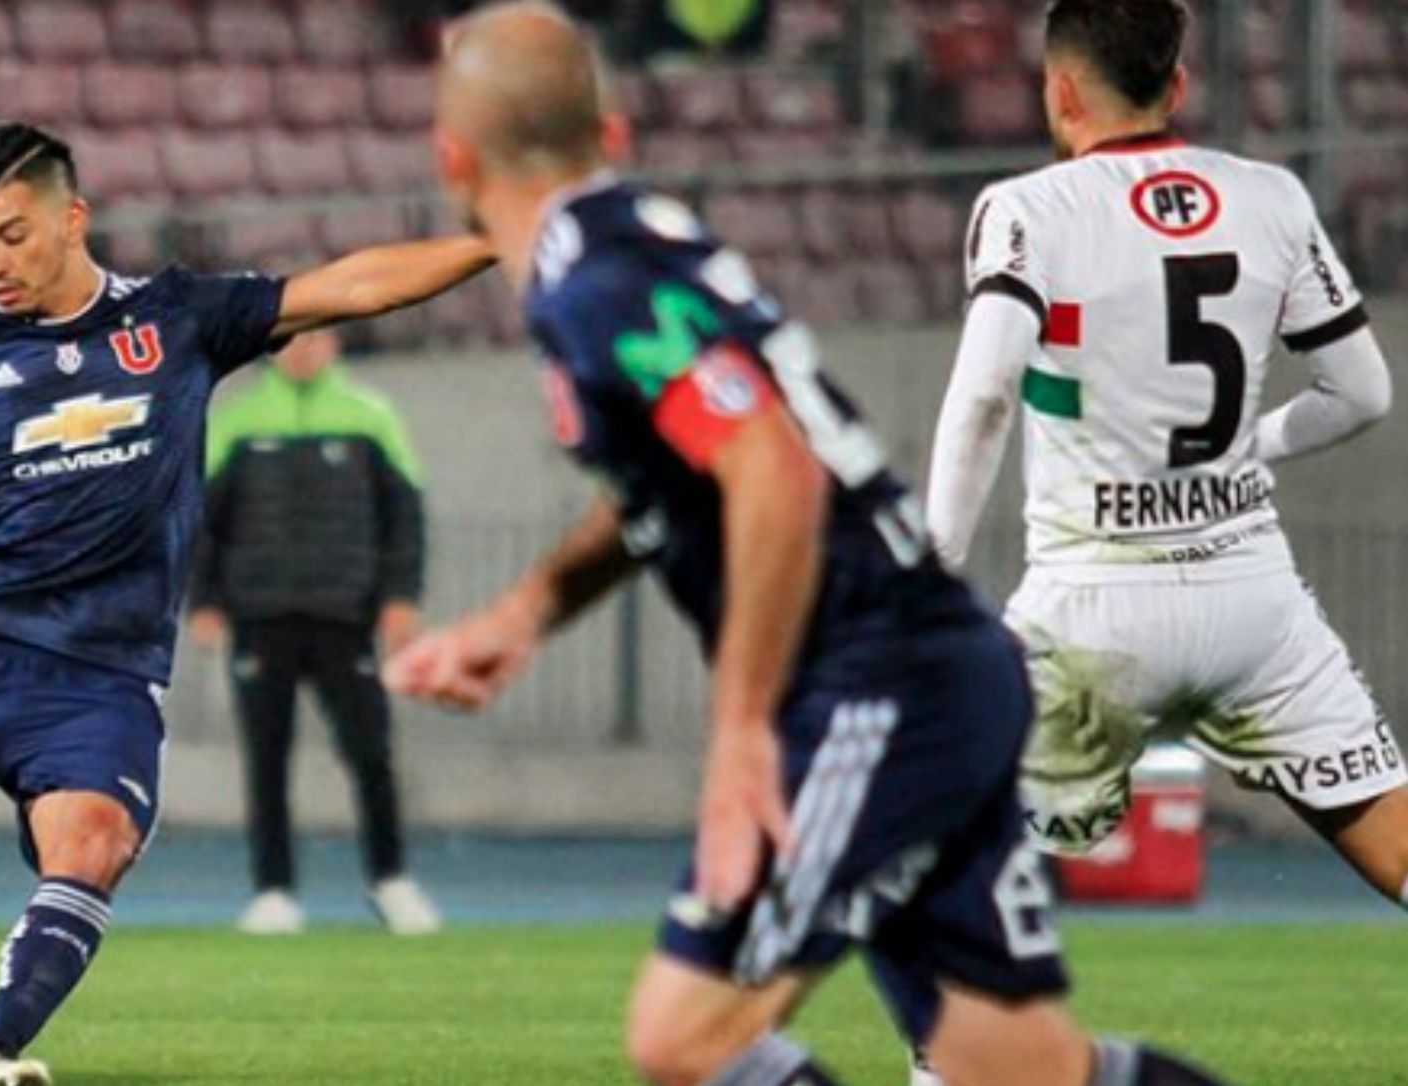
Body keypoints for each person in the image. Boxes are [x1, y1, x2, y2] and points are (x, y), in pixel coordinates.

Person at [389, 5, 1241, 1085]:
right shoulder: (639, 234)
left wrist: (742, 734)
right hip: (939, 668)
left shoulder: (588, 286)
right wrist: (526, 612)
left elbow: (771, 467)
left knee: (686, 1034)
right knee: (1021, 1068)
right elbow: (703, 462)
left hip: (873, 685)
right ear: (612, 134)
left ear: (448, 156)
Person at [0, 121, 492, 1086]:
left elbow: (352, 285)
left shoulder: (180, 319)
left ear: (72, 219)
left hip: (101, 679)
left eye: (13, 235)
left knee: (93, 844)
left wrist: (501, 237)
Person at [921, 4, 1404, 1076]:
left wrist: (931, 576)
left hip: (1092, 614)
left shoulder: (1025, 209)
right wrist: (1248, 450)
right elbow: (1363, 392)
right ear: (1176, 86)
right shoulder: (1271, 197)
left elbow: (988, 392)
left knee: (958, 902)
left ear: (1056, 92)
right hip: (1253, 604)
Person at [188, 327, 440, 936]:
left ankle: (391, 881)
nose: (305, 349)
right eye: (293, 339)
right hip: (259, 615)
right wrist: (203, 600)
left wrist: (401, 597)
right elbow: (201, 521)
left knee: (370, 754)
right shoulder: (237, 418)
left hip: (345, 616)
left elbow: (404, 516)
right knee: (266, 760)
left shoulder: (370, 416)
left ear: (335, 344)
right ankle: (274, 892)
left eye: (318, 337)